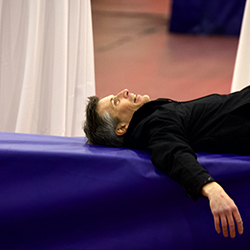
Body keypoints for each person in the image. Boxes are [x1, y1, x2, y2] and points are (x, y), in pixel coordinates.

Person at [83, 87, 248, 239]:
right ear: (121, 128)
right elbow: (174, 154)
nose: (124, 92)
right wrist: (211, 189)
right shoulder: (152, 126)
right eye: (116, 102)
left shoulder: (151, 117)